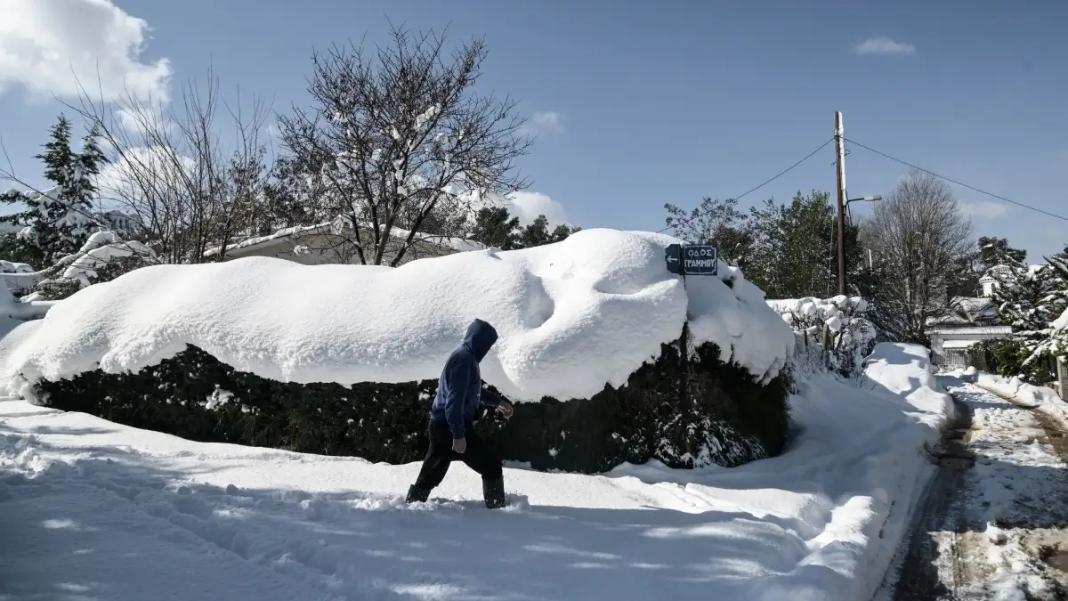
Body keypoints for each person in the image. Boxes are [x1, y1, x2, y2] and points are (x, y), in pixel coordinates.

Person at [406, 318, 515, 508]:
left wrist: (498, 403)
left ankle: (411, 506)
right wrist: (458, 435)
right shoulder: (463, 361)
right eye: (487, 345)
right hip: (449, 427)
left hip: (445, 426)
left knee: (432, 472)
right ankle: (497, 513)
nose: (487, 350)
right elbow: (453, 403)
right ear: (479, 341)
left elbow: (474, 390)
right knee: (491, 466)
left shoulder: (467, 358)